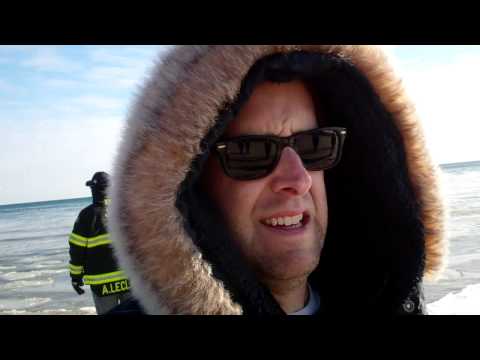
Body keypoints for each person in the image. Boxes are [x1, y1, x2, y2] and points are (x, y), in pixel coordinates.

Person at [107, 46, 447, 315]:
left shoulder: (394, 304)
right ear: (190, 186)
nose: (297, 179)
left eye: (314, 146)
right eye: (252, 152)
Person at [68, 171, 131, 314]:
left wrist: (76, 277)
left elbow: (76, 250)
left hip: (102, 285)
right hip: (130, 280)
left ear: (93, 190)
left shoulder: (87, 215)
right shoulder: (126, 211)